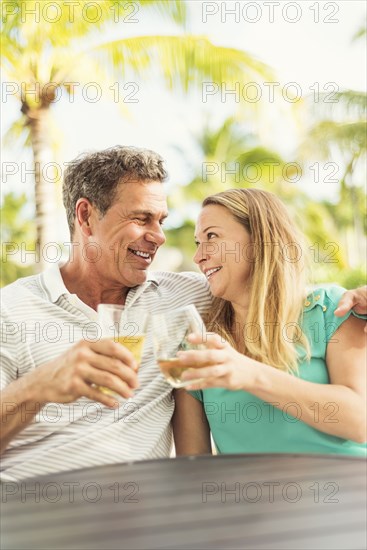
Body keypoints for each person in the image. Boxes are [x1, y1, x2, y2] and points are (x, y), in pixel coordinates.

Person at [0, 149, 365, 481]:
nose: (158, 236)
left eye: (161, 220)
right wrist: (40, 385)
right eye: (142, 218)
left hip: (146, 517)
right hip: (33, 506)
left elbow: (271, 291)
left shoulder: (187, 300)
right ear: (86, 215)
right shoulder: (11, 310)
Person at [173, 188, 366, 457]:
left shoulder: (332, 308)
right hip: (250, 499)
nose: (198, 256)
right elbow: (193, 468)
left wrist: (250, 374)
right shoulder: (199, 349)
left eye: (212, 236)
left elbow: (360, 422)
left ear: (260, 240)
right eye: (197, 243)